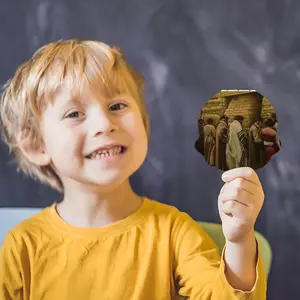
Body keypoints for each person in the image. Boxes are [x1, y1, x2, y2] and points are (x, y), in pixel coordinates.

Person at [0, 39, 266, 299]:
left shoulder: (174, 232)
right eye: (74, 114)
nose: (104, 123)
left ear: (143, 123)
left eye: (117, 106)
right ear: (36, 145)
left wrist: (240, 240)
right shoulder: (23, 246)